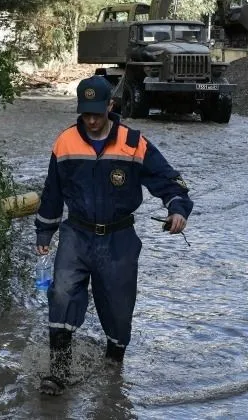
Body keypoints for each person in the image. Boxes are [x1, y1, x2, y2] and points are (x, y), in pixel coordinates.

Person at [34, 75, 193, 395]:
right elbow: (52, 192)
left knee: (119, 312)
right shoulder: (65, 142)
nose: (91, 120)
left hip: (119, 239)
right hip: (76, 234)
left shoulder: (133, 143)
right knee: (62, 293)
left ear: (111, 105)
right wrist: (44, 232)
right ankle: (58, 371)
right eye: (85, 113)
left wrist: (177, 208)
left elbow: (168, 179)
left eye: (97, 112)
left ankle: (113, 367)